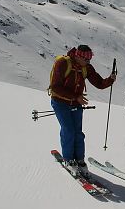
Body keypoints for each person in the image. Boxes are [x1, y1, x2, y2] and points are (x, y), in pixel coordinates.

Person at [49, 45, 116, 176]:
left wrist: (110, 80)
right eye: (86, 60)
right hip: (60, 102)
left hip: (76, 103)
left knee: (78, 133)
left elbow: (99, 83)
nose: (88, 62)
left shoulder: (86, 67)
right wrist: (76, 96)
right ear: (78, 56)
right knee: (68, 130)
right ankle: (69, 160)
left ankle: (79, 160)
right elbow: (55, 87)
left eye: (89, 60)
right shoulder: (63, 63)